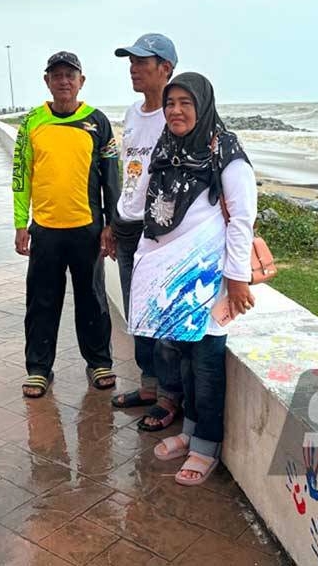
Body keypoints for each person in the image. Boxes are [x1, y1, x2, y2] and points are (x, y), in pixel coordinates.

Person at [128, 72, 257, 485]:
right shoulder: (167, 147)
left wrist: (237, 279)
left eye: (186, 102)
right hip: (171, 276)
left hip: (210, 276)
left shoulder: (225, 151)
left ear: (202, 106)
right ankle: (188, 433)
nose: (176, 110)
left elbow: (241, 219)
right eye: (170, 103)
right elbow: (151, 210)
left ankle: (207, 446)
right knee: (180, 358)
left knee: (206, 363)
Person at [12, 51, 121, 398]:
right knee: (42, 301)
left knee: (92, 298)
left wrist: (111, 224)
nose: (63, 81)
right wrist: (20, 224)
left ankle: (99, 361)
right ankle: (39, 368)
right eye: (56, 75)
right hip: (44, 228)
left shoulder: (97, 122)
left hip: (87, 228)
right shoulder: (32, 122)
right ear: (47, 81)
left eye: (69, 75)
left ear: (81, 81)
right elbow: (21, 176)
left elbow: (111, 178)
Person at [107, 34, 182, 431]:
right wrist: (114, 220)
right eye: (130, 62)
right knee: (137, 314)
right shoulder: (132, 114)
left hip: (159, 233)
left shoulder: (177, 117)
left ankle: (170, 398)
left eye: (142, 62)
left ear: (165, 69)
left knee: (162, 315)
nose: (133, 69)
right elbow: (128, 172)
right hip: (126, 226)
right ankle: (149, 386)